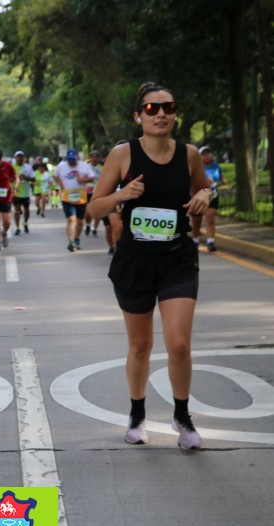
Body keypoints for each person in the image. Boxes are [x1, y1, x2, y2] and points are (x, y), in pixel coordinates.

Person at [87, 82, 211, 450]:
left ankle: (182, 416)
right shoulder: (122, 155)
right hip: (135, 261)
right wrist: (121, 195)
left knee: (179, 344)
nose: (161, 114)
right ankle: (137, 414)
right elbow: (94, 208)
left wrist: (204, 195)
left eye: (168, 108)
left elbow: (203, 188)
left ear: (175, 114)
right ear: (138, 116)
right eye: (152, 109)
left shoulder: (189, 154)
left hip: (177, 258)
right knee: (140, 344)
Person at [54, 148, 95, 252]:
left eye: (73, 159)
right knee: (71, 219)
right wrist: (59, 183)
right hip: (67, 196)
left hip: (81, 197)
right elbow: (55, 176)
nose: (71, 161)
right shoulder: (61, 166)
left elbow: (92, 178)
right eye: (70, 159)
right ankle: (71, 242)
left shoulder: (84, 166)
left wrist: (82, 180)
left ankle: (76, 238)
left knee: (80, 221)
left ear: (77, 157)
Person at [190, 146, 227, 252]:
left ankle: (210, 242)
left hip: (212, 195)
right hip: (198, 195)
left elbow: (220, 178)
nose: (206, 156)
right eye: (204, 154)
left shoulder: (216, 166)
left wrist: (223, 181)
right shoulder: (196, 166)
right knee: (196, 221)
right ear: (199, 156)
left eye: (208, 153)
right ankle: (195, 240)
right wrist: (205, 181)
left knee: (210, 218)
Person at [11, 151, 35, 235]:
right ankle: (17, 227)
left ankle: (25, 222)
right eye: (18, 156)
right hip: (16, 192)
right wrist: (14, 179)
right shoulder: (12, 167)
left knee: (26, 209)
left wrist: (26, 178)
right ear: (15, 158)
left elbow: (33, 179)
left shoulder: (28, 167)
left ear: (24, 158)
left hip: (25, 192)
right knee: (17, 210)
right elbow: (8, 178)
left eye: (21, 156)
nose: (20, 158)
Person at [84, 150, 103, 237]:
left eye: (96, 157)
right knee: (88, 212)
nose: (94, 159)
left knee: (98, 213)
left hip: (99, 191)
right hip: (88, 191)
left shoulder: (103, 167)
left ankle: (94, 228)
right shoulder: (86, 167)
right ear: (90, 158)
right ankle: (88, 224)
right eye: (92, 157)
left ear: (99, 158)